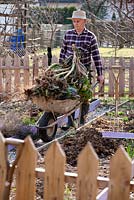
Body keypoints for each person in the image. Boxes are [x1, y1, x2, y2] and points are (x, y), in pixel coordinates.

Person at [59, 9, 104, 128]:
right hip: (69, 71)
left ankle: (82, 121)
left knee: (84, 96)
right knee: (70, 95)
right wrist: (59, 69)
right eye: (74, 21)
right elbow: (62, 53)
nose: (76, 23)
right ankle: (70, 121)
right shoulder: (68, 34)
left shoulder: (90, 37)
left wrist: (100, 74)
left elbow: (96, 56)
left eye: (78, 21)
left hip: (84, 72)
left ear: (84, 22)